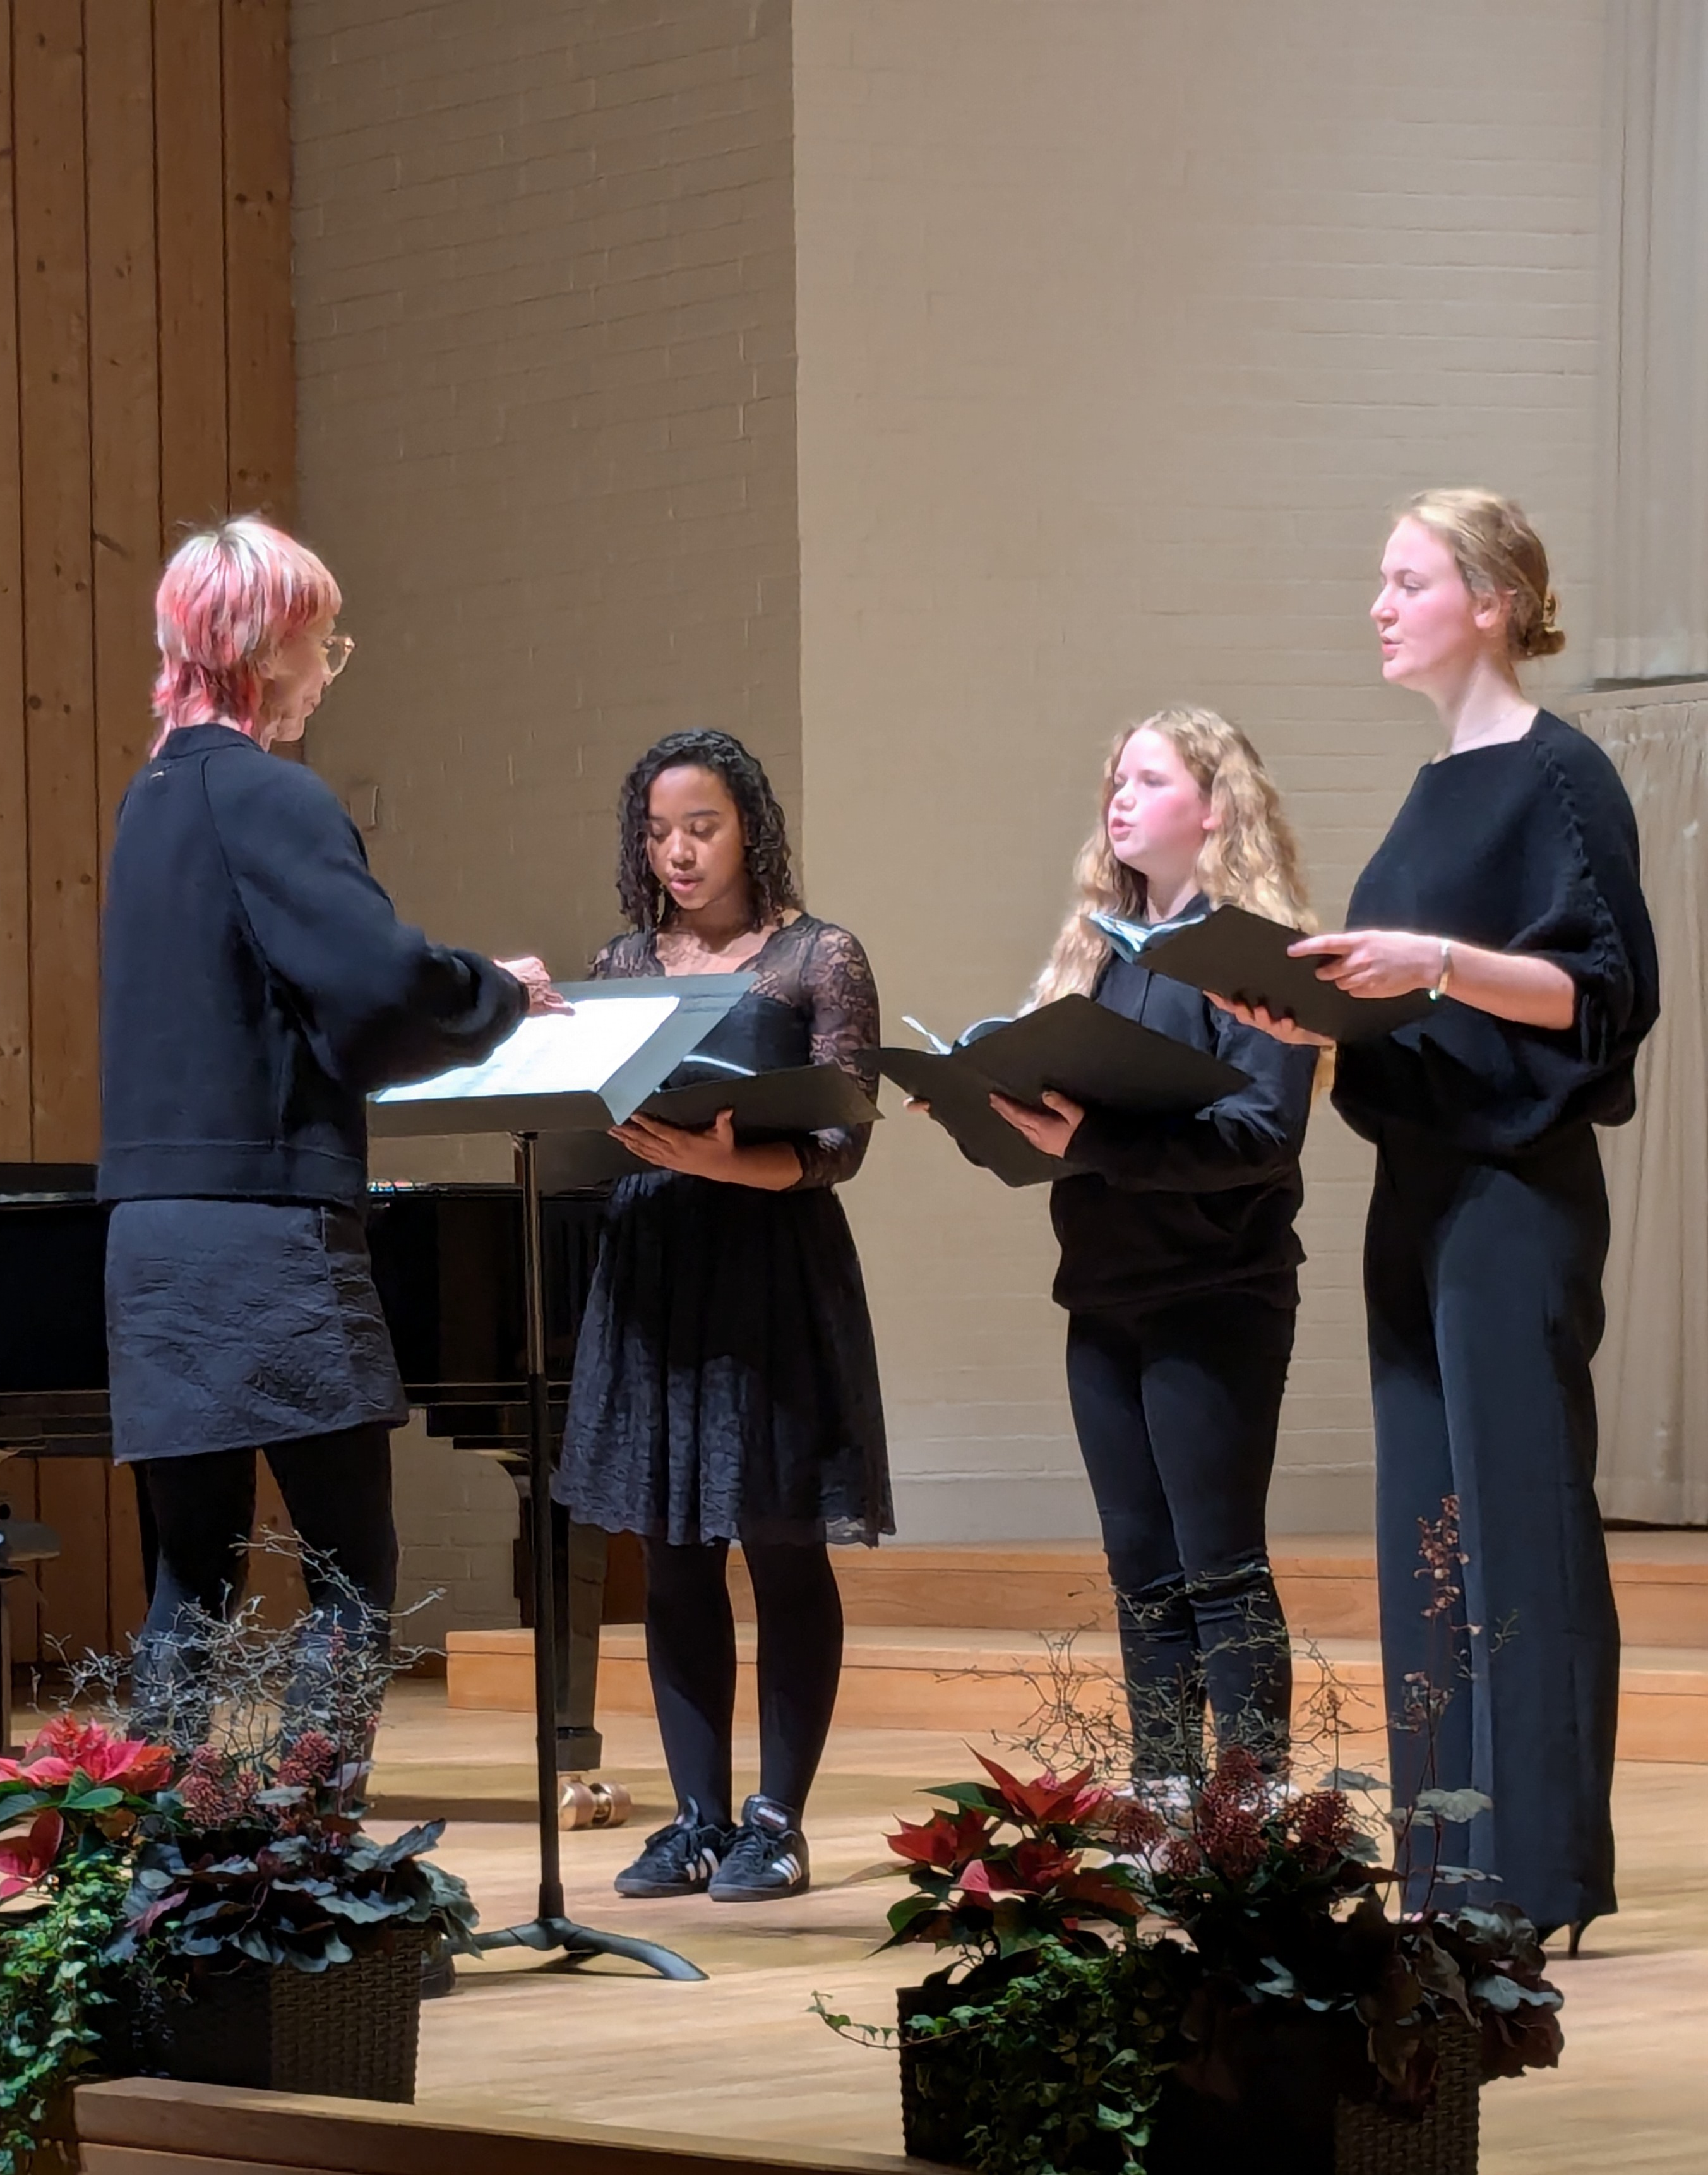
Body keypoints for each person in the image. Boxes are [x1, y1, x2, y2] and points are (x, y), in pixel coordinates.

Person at [1224, 489, 1659, 1948]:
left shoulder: (1561, 776)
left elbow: (1603, 995)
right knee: (1427, 1531)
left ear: (1489, 597)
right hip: (1416, 1188)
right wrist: (1294, 1006)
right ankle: (1448, 1874)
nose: (1379, 605)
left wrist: (1438, 961)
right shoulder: (1427, 794)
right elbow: (1409, 1003)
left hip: (1515, 1194)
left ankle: (1539, 1876)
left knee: (1514, 1524)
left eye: (1407, 580)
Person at [99, 518, 558, 1725]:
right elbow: (379, 989)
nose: (326, 667)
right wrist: (500, 989)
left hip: (149, 1236)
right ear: (263, 646)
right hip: (265, 1233)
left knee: (185, 1577)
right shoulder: (271, 797)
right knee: (350, 1574)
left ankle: (156, 1866)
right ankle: (318, 1869)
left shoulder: (148, 802)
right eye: (322, 642)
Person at [947, 710, 1319, 1796]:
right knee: (1140, 1572)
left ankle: (1250, 1805)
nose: (1117, 797)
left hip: (1216, 1289)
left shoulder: (1255, 952)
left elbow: (1258, 1136)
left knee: (1218, 1565)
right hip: (1102, 1290)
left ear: (1212, 805)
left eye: (1146, 779)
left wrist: (1095, 1136)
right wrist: (992, 1108)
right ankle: (1161, 1798)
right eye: (1112, 778)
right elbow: (1078, 1132)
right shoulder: (1096, 954)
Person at [553, 729, 893, 1901]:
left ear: (747, 821)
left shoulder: (816, 955)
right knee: (671, 1552)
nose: (677, 850)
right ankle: (694, 1815)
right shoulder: (620, 956)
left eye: (699, 825)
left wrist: (734, 1164)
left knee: (781, 1542)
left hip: (768, 1267)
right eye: (656, 831)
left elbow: (844, 1135)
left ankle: (775, 1818)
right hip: (653, 1264)